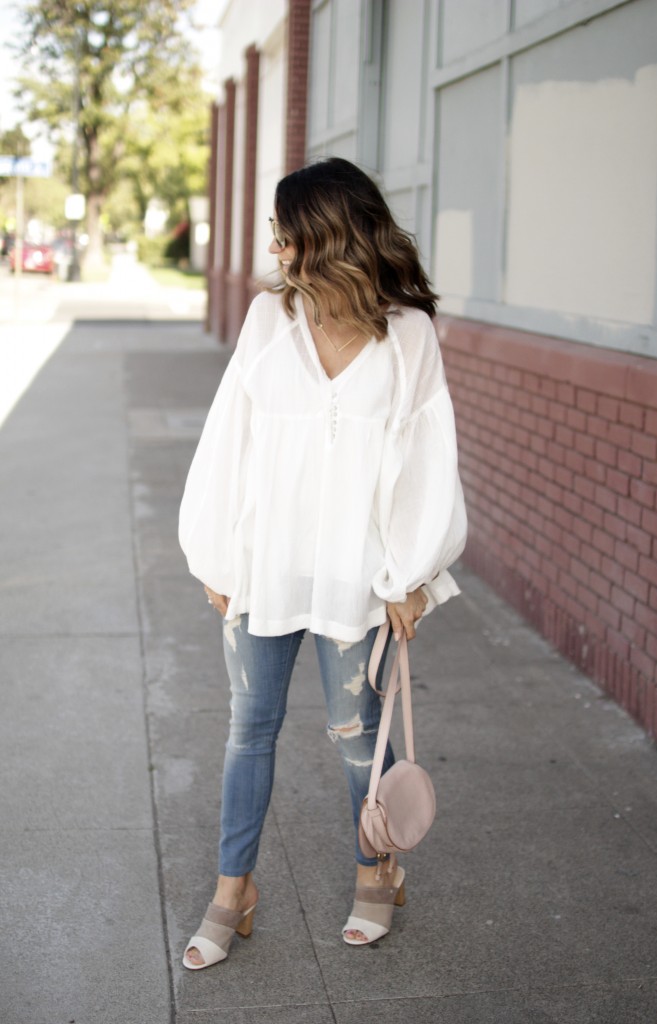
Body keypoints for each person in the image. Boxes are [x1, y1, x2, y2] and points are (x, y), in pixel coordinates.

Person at [178, 157, 467, 970]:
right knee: (249, 732)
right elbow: (227, 440)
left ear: (329, 237)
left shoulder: (408, 336)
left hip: (355, 574)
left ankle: (376, 869)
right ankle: (233, 891)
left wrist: (411, 573)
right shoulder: (269, 321)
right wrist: (215, 551)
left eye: (287, 231)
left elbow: (425, 461)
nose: (276, 244)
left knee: (354, 739)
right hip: (265, 566)